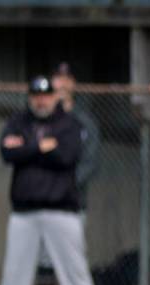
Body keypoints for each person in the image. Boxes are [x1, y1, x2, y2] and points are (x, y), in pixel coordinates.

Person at [0, 76, 109, 285]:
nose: (41, 100)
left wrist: (26, 150)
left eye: (46, 95)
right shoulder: (19, 120)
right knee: (15, 271)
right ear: (30, 97)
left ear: (55, 97)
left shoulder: (69, 123)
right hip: (24, 211)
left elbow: (67, 155)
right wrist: (40, 148)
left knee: (75, 271)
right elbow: (7, 152)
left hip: (61, 209)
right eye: (36, 95)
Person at [51, 63, 100, 211]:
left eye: (67, 79)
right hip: (41, 203)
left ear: (74, 83)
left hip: (73, 202)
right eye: (58, 79)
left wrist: (64, 183)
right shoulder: (39, 119)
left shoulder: (85, 121)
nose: (63, 84)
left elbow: (91, 162)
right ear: (52, 82)